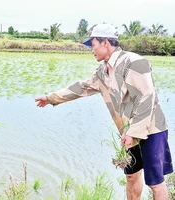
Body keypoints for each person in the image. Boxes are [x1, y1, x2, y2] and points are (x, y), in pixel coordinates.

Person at [35, 23, 173, 200]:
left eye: (93, 45)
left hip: (150, 129)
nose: (91, 50)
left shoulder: (134, 62)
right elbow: (81, 87)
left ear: (105, 42)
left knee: (155, 182)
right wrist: (51, 98)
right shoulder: (103, 71)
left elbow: (147, 98)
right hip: (128, 132)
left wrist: (133, 132)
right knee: (131, 176)